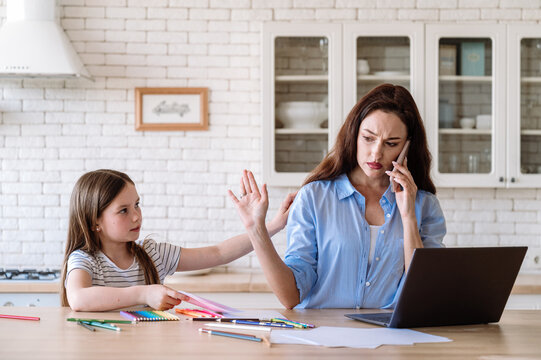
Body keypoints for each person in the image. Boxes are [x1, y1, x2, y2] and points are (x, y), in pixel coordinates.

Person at [230, 84, 446, 310]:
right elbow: (290, 297)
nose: (376, 153)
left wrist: (408, 216)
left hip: (392, 339)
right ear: (354, 134)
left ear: (407, 147)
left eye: (391, 144)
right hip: (322, 336)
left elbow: (424, 294)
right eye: (368, 138)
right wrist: (257, 230)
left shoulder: (425, 205)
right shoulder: (314, 197)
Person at [61, 169, 295, 312]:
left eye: (137, 205)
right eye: (123, 210)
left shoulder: (153, 254)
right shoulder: (84, 260)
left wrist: (271, 226)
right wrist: (145, 294)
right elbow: (78, 298)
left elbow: (218, 253)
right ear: (95, 222)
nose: (136, 216)